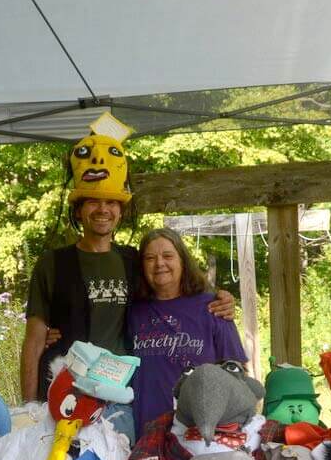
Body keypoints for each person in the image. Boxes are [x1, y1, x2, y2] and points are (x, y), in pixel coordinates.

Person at [20, 125, 235, 411]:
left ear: (121, 212)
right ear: (78, 211)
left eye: (111, 202)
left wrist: (221, 299)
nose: (103, 209)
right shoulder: (53, 264)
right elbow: (33, 343)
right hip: (65, 395)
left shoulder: (133, 260)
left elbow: (177, 292)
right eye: (93, 202)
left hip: (122, 397)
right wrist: (27, 407)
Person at [128, 228, 248, 433]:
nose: (159, 264)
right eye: (150, 258)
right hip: (147, 432)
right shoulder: (133, 312)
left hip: (199, 432)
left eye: (168, 256)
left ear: (182, 260)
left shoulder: (213, 307)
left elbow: (237, 371)